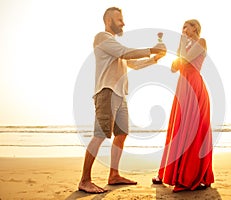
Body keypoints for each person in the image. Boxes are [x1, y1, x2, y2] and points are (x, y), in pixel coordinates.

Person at [78, 7, 166, 194]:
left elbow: (132, 62)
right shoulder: (102, 38)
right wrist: (151, 49)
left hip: (120, 94)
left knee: (122, 133)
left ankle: (114, 175)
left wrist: (155, 58)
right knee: (100, 134)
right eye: (119, 20)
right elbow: (126, 53)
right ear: (109, 20)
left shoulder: (115, 46)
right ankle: (85, 180)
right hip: (107, 92)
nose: (123, 23)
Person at [152, 19, 214, 192]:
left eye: (186, 26)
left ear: (195, 28)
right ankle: (170, 173)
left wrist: (180, 46)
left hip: (195, 88)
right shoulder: (185, 46)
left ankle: (192, 176)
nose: (184, 30)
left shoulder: (201, 42)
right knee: (177, 128)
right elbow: (174, 67)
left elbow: (184, 60)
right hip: (182, 89)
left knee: (193, 131)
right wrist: (179, 53)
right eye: (182, 27)